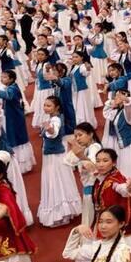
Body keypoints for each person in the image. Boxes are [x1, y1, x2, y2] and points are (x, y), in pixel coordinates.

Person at [36, 96, 82, 227]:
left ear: (57, 107)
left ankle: (60, 212)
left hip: (54, 156)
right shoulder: (54, 117)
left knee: (55, 180)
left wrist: (49, 129)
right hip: (53, 153)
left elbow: (54, 132)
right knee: (60, 180)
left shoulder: (55, 119)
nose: (45, 107)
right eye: (45, 105)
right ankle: (65, 209)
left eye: (49, 105)